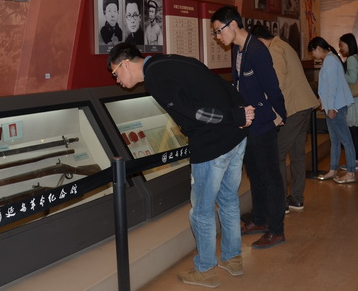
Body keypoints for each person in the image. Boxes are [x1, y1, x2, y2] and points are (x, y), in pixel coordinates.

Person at [107, 43, 254, 287]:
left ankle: (206, 270)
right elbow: (217, 82)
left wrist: (235, 115)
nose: (117, 81)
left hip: (212, 144)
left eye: (115, 73)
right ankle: (233, 258)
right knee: (229, 200)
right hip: (235, 137)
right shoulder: (170, 60)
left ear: (125, 64)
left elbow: (194, 112)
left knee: (202, 211)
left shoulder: (155, 78)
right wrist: (241, 110)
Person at [211, 6, 287, 249]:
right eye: (215, 33)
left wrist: (280, 114)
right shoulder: (238, 49)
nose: (218, 37)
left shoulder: (257, 50)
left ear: (233, 25)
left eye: (219, 30)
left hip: (263, 122)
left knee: (271, 177)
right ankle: (259, 219)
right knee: (255, 174)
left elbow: (272, 87)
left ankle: (276, 230)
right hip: (247, 122)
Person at [251, 25, 319, 211]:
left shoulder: (275, 49)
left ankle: (280, 201)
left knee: (277, 154)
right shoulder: (284, 45)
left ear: (259, 40)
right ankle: (296, 198)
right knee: (297, 155)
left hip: (294, 109)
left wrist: (265, 104)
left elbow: (277, 82)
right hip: (304, 105)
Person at [307, 37, 357, 183]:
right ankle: (333, 170)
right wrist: (322, 101)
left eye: (312, 51)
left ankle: (351, 172)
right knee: (335, 140)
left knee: (346, 140)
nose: (313, 55)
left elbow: (333, 86)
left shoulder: (330, 60)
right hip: (333, 106)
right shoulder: (331, 59)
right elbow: (327, 86)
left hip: (336, 107)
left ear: (318, 48)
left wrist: (332, 107)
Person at [338, 33, 358, 171]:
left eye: (342, 45)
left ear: (348, 44)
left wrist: (339, 73)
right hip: (357, 98)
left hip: (352, 99)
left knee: (353, 132)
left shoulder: (351, 58)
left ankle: (355, 161)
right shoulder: (355, 57)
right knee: (357, 131)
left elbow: (352, 78)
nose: (340, 48)